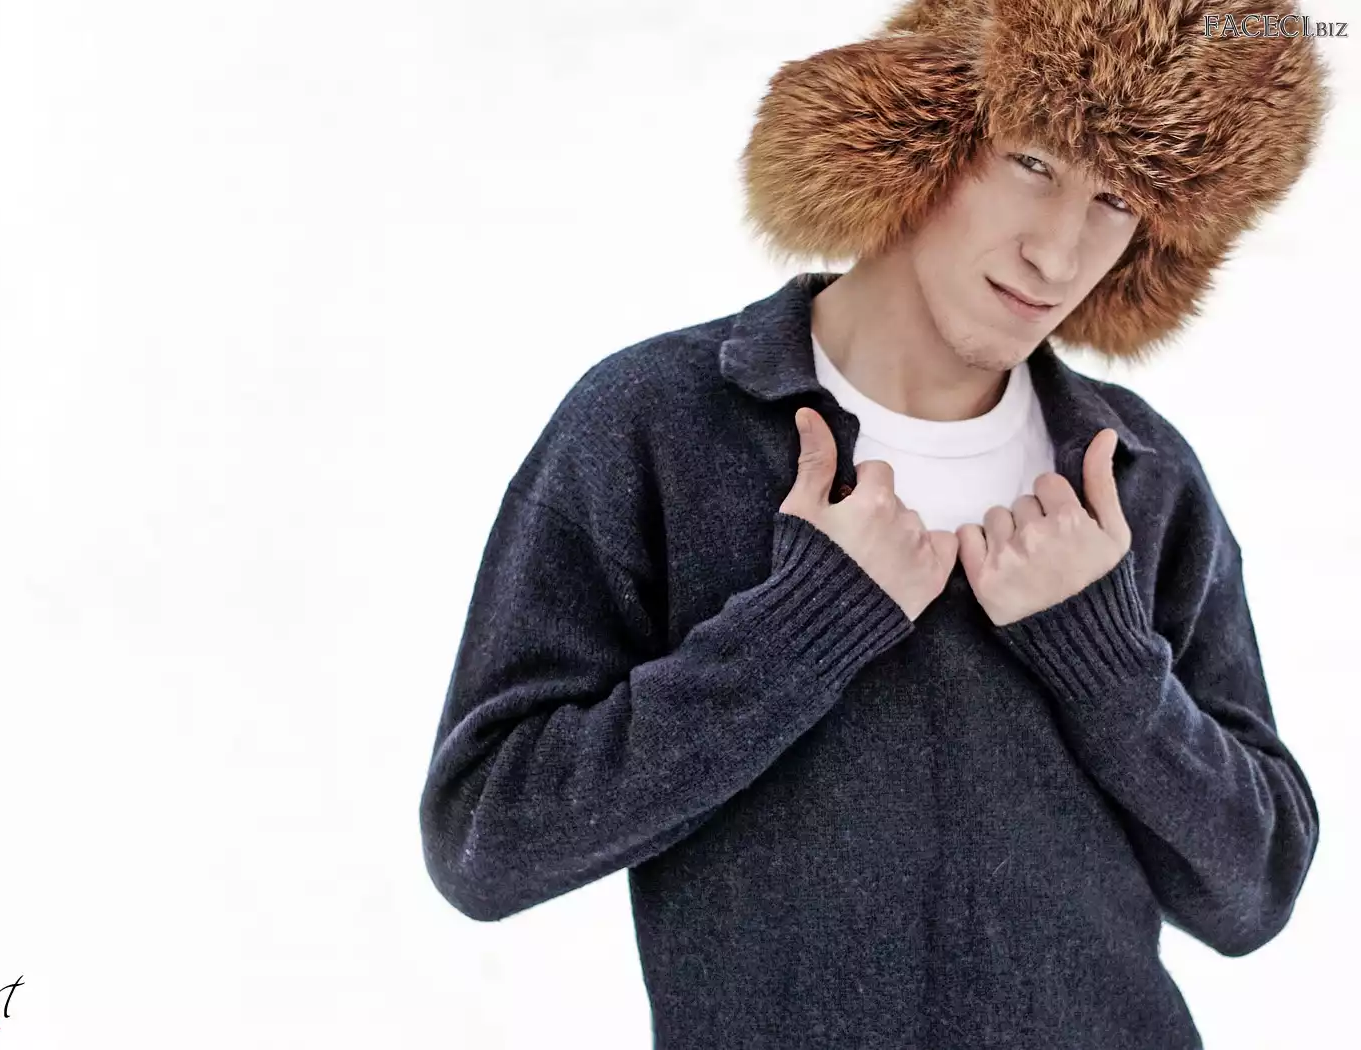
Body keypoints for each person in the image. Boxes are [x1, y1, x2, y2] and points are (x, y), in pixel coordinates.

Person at [418, 1, 1329, 1046]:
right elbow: (488, 839)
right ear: (929, 127)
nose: (1057, 255)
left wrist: (1107, 665)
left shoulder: (1135, 477)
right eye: (1033, 161)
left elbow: (1253, 890)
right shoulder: (656, 426)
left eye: (1117, 199)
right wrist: (799, 632)